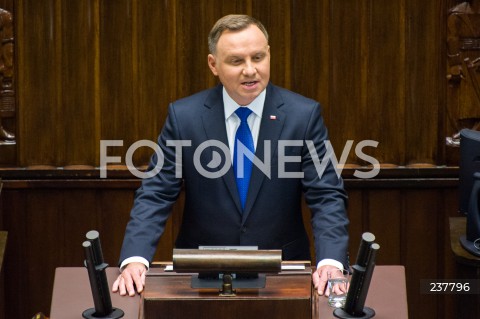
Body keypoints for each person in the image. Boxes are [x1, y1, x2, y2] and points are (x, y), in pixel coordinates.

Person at [112, 14, 349, 298]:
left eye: (258, 57)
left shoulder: (303, 116)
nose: (250, 70)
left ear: (269, 54)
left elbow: (326, 196)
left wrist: (331, 263)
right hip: (202, 275)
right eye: (237, 61)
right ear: (213, 64)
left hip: (281, 275)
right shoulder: (184, 117)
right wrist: (135, 259)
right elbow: (156, 192)